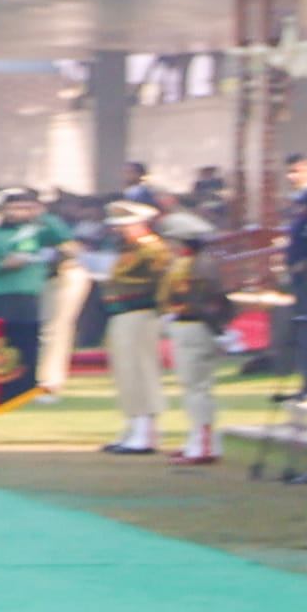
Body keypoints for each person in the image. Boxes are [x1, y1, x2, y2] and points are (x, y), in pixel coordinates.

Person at [88, 197, 219, 460]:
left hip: (142, 312)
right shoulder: (129, 249)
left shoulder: (152, 249)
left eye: (126, 224)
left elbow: (166, 283)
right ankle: (134, 424)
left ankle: (145, 431)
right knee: (126, 372)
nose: (120, 229)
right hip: (123, 313)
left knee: (141, 371)